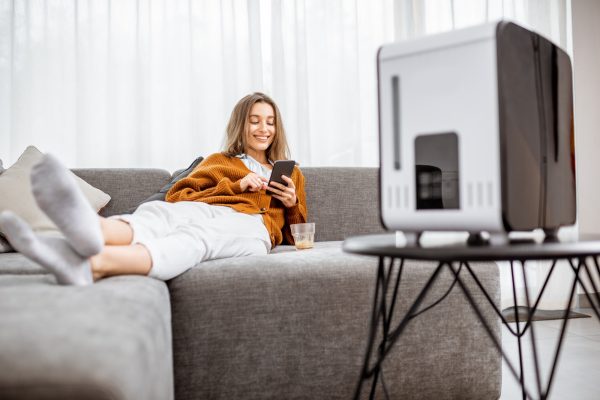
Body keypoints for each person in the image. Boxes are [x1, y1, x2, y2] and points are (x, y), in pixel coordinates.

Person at [0, 92, 307, 285]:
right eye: (255, 121)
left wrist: (292, 203)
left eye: (269, 122)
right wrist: (236, 184)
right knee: (159, 213)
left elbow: (299, 237)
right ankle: (94, 231)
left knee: (197, 238)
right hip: (204, 210)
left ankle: (97, 262)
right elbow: (179, 195)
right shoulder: (219, 161)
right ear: (241, 125)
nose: (263, 129)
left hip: (251, 229)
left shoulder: (291, 173)